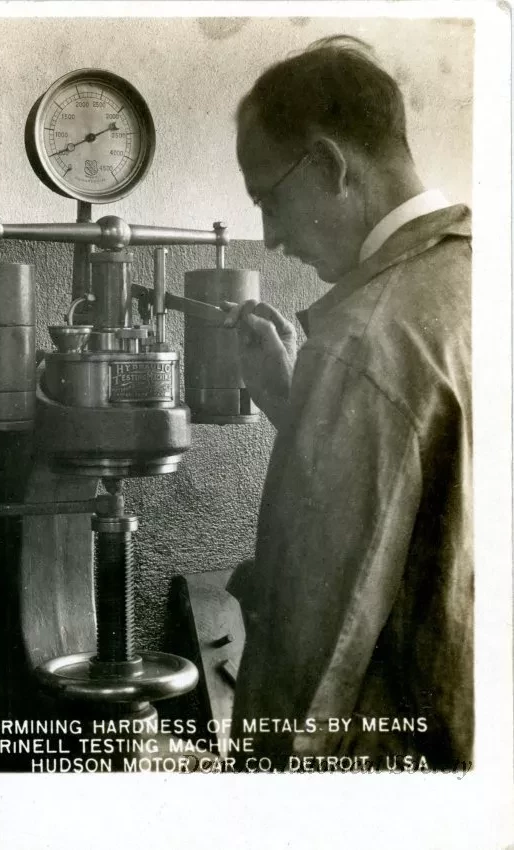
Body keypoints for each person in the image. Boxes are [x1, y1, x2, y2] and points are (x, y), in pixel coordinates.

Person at [222, 36, 472, 771]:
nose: (270, 238)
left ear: (331, 167)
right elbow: (435, 486)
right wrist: (294, 404)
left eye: (269, 199)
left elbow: (315, 649)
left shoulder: (361, 340)